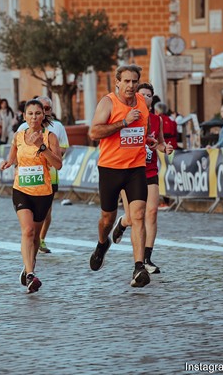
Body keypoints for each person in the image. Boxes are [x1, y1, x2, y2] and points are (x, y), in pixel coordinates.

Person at [88, 64, 154, 288]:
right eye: (126, 81)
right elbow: (94, 132)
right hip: (110, 168)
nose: (130, 85)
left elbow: (141, 131)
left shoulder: (142, 102)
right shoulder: (108, 102)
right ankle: (101, 244)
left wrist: (149, 140)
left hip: (135, 168)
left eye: (134, 81)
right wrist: (123, 121)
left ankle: (139, 267)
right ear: (117, 82)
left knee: (138, 216)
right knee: (107, 219)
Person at [1, 99, 62, 293]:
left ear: (43, 115)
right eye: (30, 113)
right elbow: (13, 156)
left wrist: (42, 147)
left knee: (35, 236)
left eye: (37, 113)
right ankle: (30, 274)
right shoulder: (18, 136)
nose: (34, 117)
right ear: (24, 116)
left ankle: (29, 267)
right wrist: (8, 163)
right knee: (27, 231)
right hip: (21, 190)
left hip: (43, 193)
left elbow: (58, 164)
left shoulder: (49, 136)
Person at [111, 83, 173, 274]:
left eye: (149, 95)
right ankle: (122, 223)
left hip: (150, 171)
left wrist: (165, 148)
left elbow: (161, 143)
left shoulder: (157, 120)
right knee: (133, 217)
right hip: (129, 170)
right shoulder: (128, 117)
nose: (146, 98)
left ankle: (146, 258)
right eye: (142, 94)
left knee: (152, 213)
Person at [16, 96, 69, 253]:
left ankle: (41, 239)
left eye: (46, 109)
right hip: (25, 180)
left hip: (48, 176)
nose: (41, 114)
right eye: (40, 109)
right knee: (27, 223)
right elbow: (17, 150)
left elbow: (63, 150)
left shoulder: (57, 128)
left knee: (46, 212)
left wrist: (49, 152)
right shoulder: (21, 129)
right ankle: (30, 249)